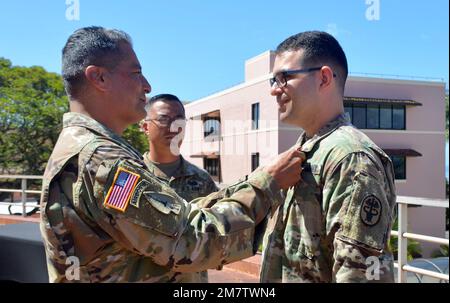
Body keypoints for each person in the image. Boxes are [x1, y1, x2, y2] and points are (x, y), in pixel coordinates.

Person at [39, 26, 304, 283]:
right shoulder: (103, 161)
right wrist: (267, 183)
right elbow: (188, 241)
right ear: (99, 78)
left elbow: (170, 218)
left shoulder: (85, 150)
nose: (147, 86)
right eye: (136, 73)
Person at [261, 31, 397, 283]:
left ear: (324, 78)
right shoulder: (306, 151)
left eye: (284, 78)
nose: (274, 90)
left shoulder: (351, 159)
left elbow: (358, 275)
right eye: (273, 80)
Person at [140, 93, 219, 282]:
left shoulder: (202, 180)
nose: (174, 127)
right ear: (145, 127)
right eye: (164, 119)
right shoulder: (132, 176)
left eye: (179, 120)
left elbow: (218, 234)